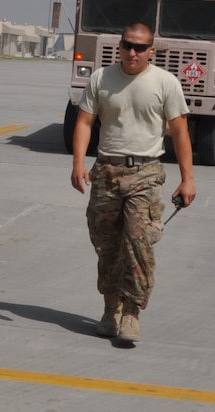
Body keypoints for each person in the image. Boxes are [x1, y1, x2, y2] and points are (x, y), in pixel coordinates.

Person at [69, 21, 196, 347]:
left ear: (152, 50)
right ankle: (111, 308)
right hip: (106, 172)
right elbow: (85, 122)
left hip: (146, 173)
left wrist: (188, 179)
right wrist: (78, 163)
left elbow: (180, 131)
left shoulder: (165, 82)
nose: (132, 52)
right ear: (120, 45)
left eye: (140, 47)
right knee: (107, 245)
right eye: (127, 45)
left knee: (138, 242)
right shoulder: (101, 79)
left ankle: (131, 312)